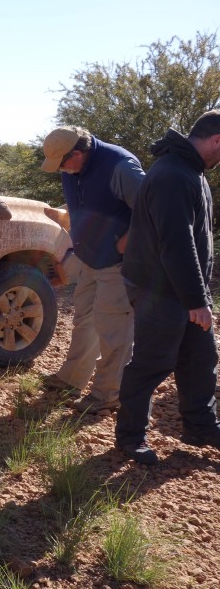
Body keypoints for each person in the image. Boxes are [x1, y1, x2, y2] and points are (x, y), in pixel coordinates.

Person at [115, 110, 220, 465]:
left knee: (201, 359)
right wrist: (197, 300)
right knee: (152, 362)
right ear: (216, 140)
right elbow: (177, 244)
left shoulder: (191, 171)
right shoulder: (174, 175)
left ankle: (201, 426)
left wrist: (198, 296)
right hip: (158, 289)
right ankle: (130, 437)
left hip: (182, 288)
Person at [39, 126, 144, 413]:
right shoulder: (72, 169)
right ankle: (72, 379)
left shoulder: (120, 166)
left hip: (119, 265)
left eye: (62, 163)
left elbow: (154, 209)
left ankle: (108, 394)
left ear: (78, 152)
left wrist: (128, 239)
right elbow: (87, 205)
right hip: (89, 259)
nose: (61, 170)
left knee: (115, 331)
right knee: (84, 320)